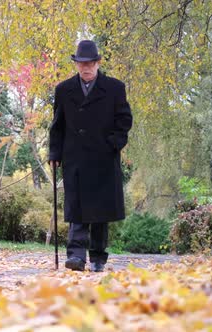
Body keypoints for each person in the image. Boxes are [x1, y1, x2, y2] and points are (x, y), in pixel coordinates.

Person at [48, 40, 133, 272]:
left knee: (100, 211)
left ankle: (97, 257)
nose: (85, 68)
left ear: (97, 63)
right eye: (81, 63)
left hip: (103, 158)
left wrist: (113, 144)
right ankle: (75, 256)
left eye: (89, 63)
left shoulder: (115, 88)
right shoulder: (64, 90)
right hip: (74, 157)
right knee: (76, 207)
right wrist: (54, 152)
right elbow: (57, 125)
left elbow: (124, 120)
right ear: (76, 64)